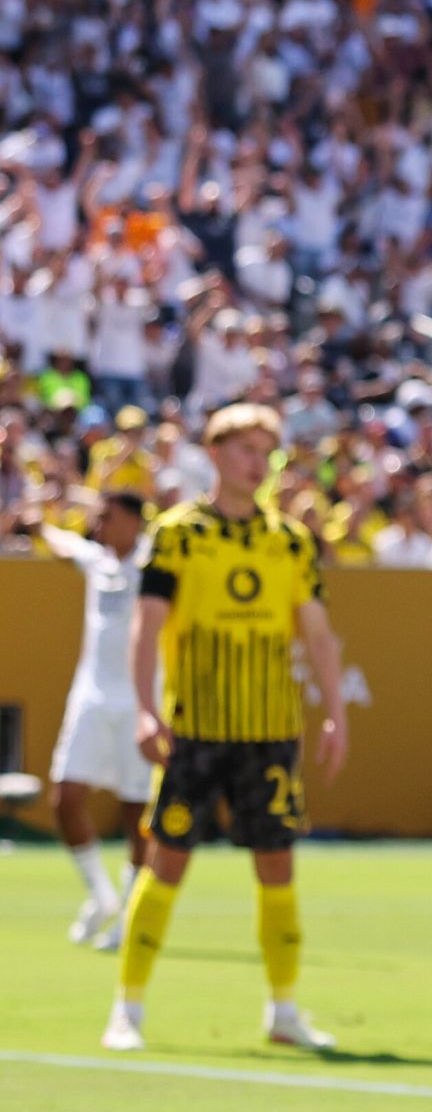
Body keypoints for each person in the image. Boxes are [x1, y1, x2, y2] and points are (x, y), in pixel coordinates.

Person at [105, 405, 348, 1054]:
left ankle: (285, 1009)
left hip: (270, 730)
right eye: (245, 447)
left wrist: (334, 712)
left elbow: (318, 635)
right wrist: (145, 707)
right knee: (168, 861)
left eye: (266, 450)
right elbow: (148, 624)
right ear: (214, 453)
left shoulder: (290, 540)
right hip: (198, 727)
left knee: (277, 863)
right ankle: (127, 1007)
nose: (257, 461)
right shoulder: (179, 534)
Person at [27, 492, 152, 949]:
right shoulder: (97, 559)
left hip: (142, 701)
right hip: (92, 699)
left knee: (137, 812)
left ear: (135, 523)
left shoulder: (156, 560)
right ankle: (102, 897)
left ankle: (129, 917)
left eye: (108, 517)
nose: (97, 525)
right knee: (65, 796)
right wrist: (37, 525)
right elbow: (63, 544)